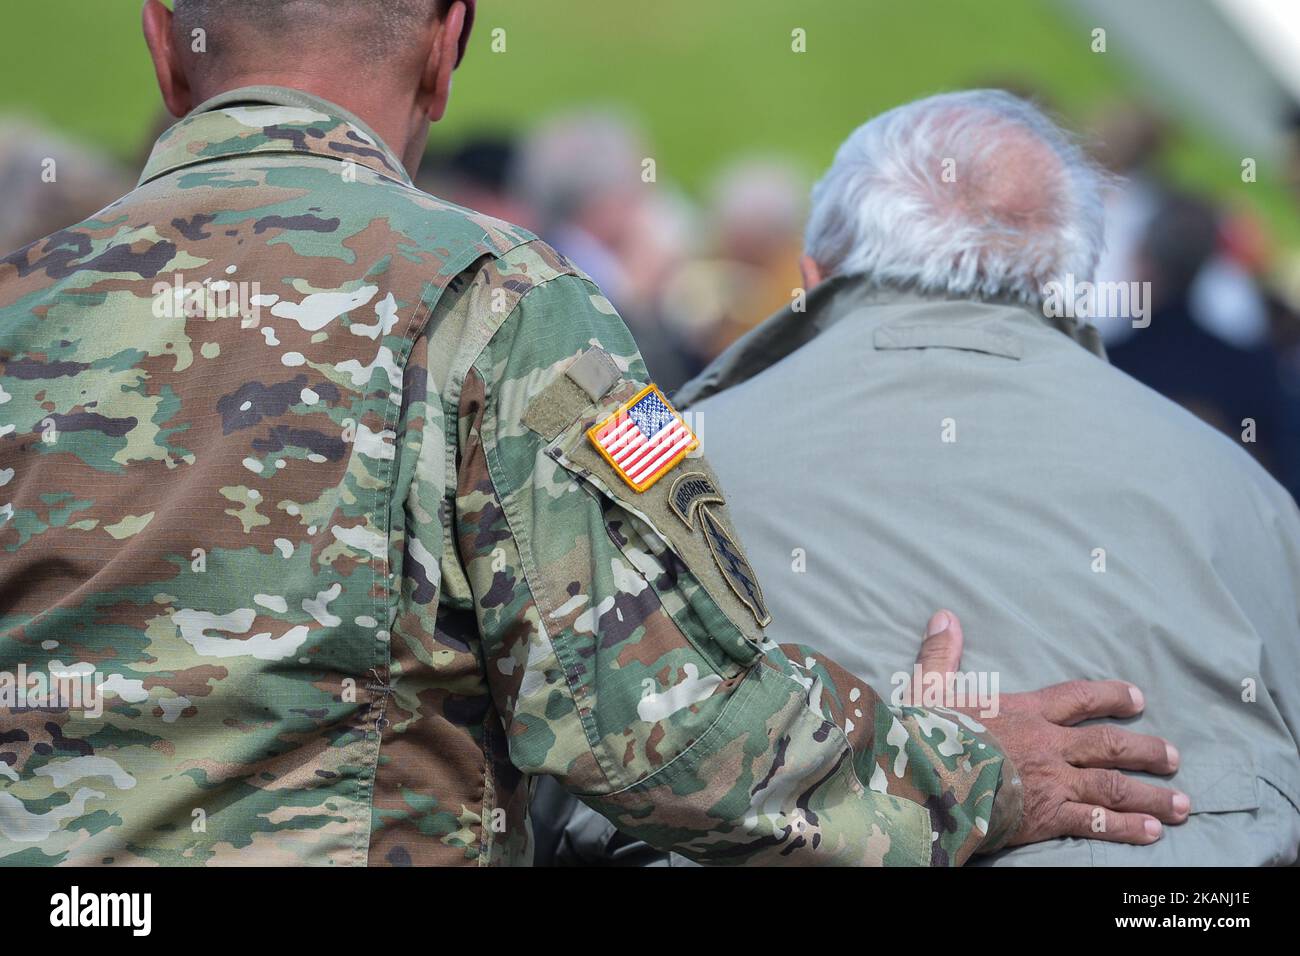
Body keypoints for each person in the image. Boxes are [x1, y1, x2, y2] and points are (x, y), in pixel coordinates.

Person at [0, 7, 1186, 866]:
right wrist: (972, 770)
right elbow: (675, 737)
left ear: (161, 42)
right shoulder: (504, 305)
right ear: (446, 44)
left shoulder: (19, 299)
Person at [539, 89, 1296, 866]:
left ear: (813, 273)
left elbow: (550, 775)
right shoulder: (1243, 493)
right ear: (1070, 289)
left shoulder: (658, 456)